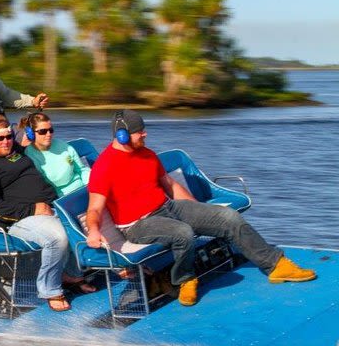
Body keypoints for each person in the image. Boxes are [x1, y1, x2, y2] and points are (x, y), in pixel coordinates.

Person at [84, 109, 316, 307]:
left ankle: (276, 265)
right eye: (139, 131)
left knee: (227, 217)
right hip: (138, 225)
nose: (145, 133)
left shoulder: (147, 154)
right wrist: (93, 231)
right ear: (122, 136)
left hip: (168, 207)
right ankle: (184, 279)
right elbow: (94, 208)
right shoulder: (105, 166)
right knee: (182, 233)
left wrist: (200, 213)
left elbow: (170, 185)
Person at [0, 114, 93, 312]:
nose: (6, 141)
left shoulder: (14, 150)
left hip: (50, 205)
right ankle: (50, 290)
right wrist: (34, 208)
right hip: (20, 220)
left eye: (9, 136)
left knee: (87, 218)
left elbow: (26, 138)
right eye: (0, 138)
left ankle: (70, 274)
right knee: (58, 237)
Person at [22, 112, 90, 197]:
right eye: (43, 131)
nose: (48, 134)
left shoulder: (63, 145)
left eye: (51, 130)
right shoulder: (29, 157)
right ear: (31, 134)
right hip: (59, 198)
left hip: (83, 189)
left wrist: (92, 186)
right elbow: (42, 188)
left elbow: (81, 170)